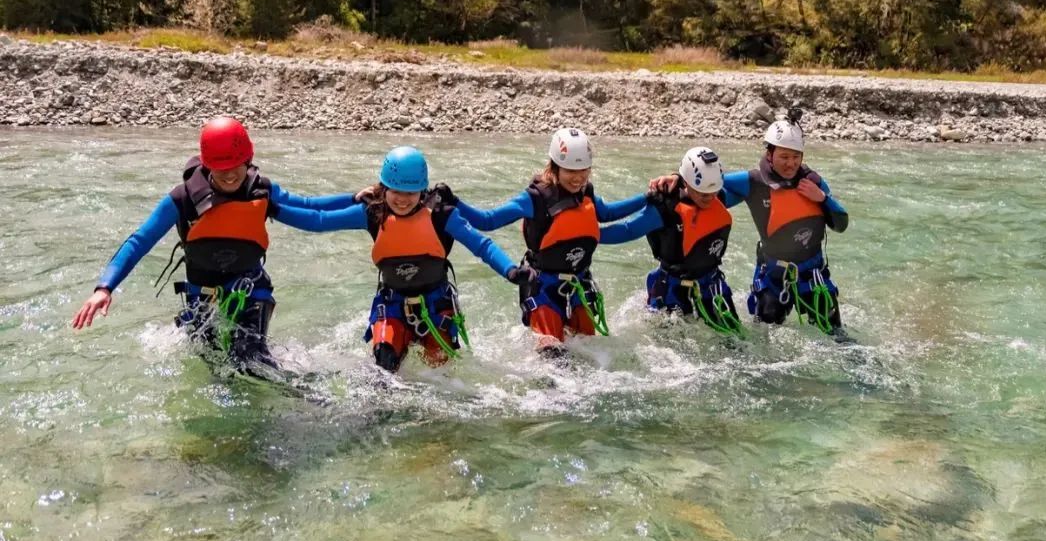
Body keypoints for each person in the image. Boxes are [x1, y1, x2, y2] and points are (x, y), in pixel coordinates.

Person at [71, 116, 364, 381]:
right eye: (220, 168)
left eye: (235, 166)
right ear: (207, 164)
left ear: (248, 159)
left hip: (251, 289)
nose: (229, 175)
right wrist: (105, 287)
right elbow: (140, 240)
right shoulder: (182, 199)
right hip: (202, 297)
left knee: (249, 361)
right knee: (213, 369)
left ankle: (300, 396)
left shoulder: (261, 191)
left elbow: (311, 210)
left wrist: (354, 199)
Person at [280, 146, 532, 373]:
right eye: (396, 191)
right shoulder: (371, 214)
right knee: (383, 366)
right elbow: (318, 221)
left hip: (436, 306)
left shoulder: (442, 216)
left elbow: (482, 246)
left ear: (422, 190)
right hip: (392, 305)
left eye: (411, 192)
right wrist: (273, 208)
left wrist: (510, 270)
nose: (402, 199)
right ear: (384, 188)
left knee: (441, 375)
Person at [437, 128, 646, 358]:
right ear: (555, 166)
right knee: (553, 356)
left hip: (579, 286)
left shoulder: (585, 192)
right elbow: (487, 221)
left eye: (583, 170)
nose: (578, 177)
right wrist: (454, 201)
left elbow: (607, 214)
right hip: (543, 288)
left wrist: (647, 198)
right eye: (570, 170)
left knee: (589, 354)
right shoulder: (534, 198)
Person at [724, 110, 851, 340]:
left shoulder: (813, 182)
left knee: (838, 337)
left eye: (796, 157)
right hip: (774, 277)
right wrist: (675, 177)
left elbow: (841, 224)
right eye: (784, 157)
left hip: (813, 274)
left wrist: (822, 197)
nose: (790, 163)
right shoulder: (753, 182)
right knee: (765, 339)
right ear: (769, 154)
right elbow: (706, 183)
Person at [598, 147, 744, 336]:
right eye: (702, 193)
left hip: (711, 285)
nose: (709, 198)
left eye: (714, 191)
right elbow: (628, 230)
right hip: (672, 288)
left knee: (734, 341)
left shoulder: (719, 198)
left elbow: (756, 182)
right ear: (686, 184)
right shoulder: (665, 209)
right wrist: (588, 234)